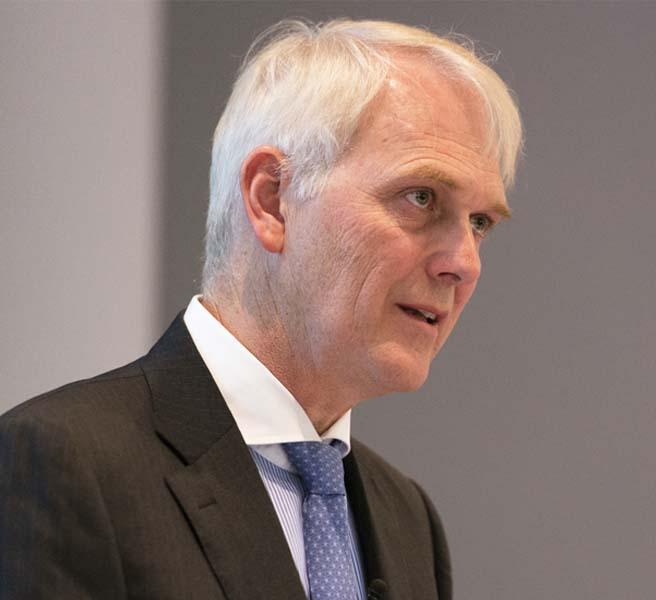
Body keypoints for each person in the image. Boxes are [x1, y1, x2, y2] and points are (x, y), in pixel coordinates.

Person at [0, 19, 521, 600]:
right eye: (421, 198)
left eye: (480, 222)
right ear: (272, 199)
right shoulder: (65, 462)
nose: (464, 263)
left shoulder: (407, 520)